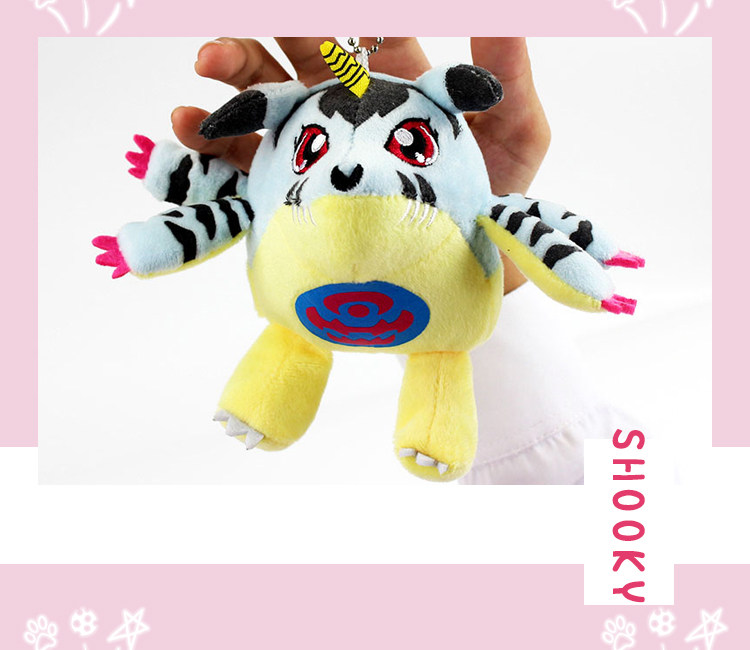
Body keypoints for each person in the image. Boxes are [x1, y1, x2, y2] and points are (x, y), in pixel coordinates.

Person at [171, 37, 636, 484]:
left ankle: (433, 425)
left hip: (353, 314)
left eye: (411, 144)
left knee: (436, 356)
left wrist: (594, 276)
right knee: (306, 340)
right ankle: (274, 393)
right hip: (312, 318)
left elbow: (528, 223)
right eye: (312, 147)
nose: (349, 171)